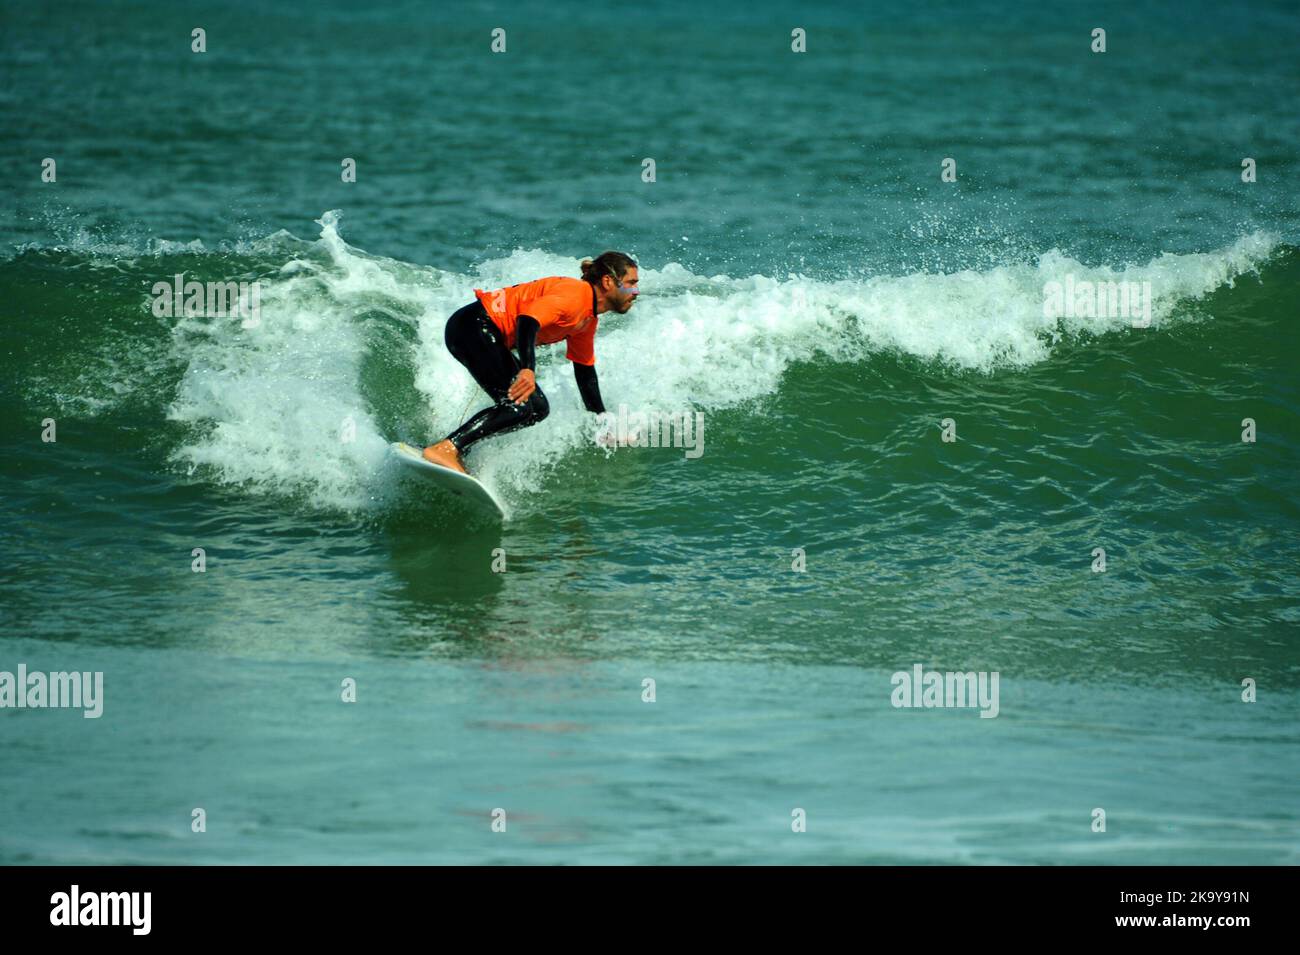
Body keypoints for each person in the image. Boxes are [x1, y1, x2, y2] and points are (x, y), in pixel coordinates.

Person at [421, 251, 639, 473]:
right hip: (474, 327)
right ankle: (447, 449)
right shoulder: (575, 295)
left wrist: (603, 421)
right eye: (631, 283)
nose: (636, 291)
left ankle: (455, 449)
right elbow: (527, 320)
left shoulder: (587, 319)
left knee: (537, 409)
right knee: (522, 406)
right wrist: (527, 369)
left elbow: (585, 374)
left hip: (479, 332)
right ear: (608, 282)